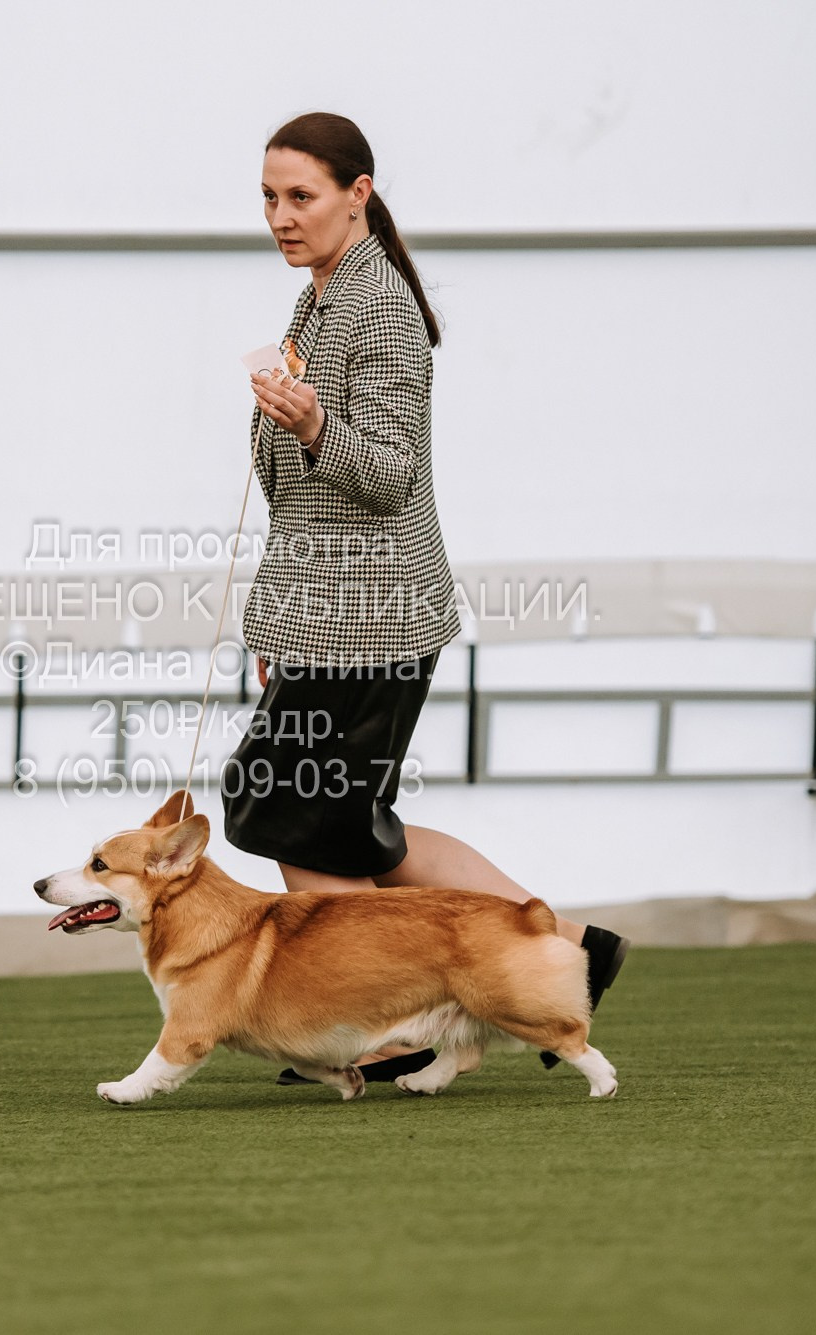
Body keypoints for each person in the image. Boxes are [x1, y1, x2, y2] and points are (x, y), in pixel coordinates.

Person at [223, 111, 628, 1085]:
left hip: (373, 623)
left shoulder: (381, 311)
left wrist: (315, 419)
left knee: (281, 810)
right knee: (349, 821)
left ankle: (396, 1023)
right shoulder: (317, 302)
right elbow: (294, 492)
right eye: (268, 199)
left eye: (299, 197)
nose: (279, 217)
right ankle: (562, 950)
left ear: (356, 195)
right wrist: (273, 620)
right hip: (327, 621)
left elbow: (391, 475)